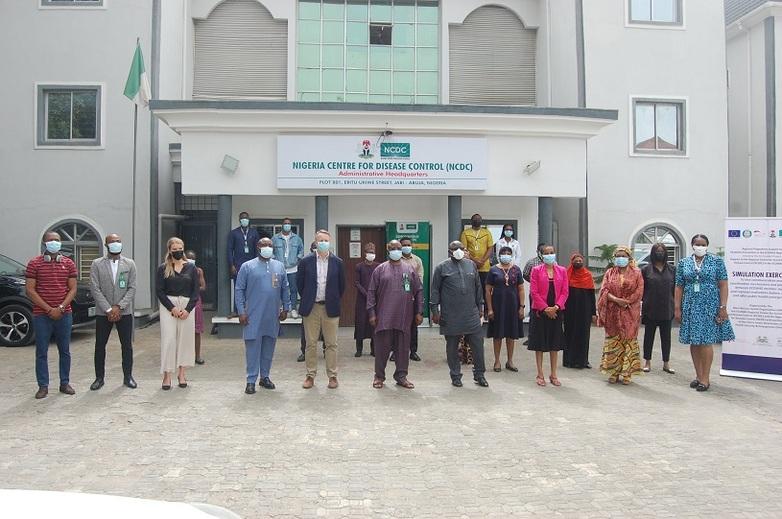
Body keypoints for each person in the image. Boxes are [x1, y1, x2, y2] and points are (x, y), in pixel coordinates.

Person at [675, 234, 735, 392]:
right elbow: (679, 286)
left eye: (703, 244)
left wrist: (723, 307)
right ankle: (698, 375)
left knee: (706, 341)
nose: (699, 246)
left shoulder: (717, 261)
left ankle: (706, 379)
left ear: (707, 246)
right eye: (697, 244)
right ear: (692, 245)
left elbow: (723, 285)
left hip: (710, 305)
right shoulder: (684, 263)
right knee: (694, 341)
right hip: (690, 305)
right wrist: (677, 308)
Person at [26, 231, 78, 399]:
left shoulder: (69, 263)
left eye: (57, 240)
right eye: (51, 240)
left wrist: (61, 307)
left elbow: (73, 289)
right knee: (41, 351)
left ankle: (65, 383)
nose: (54, 242)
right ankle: (43, 386)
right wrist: (49, 309)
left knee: (65, 350)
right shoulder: (34, 264)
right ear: (44, 243)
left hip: (64, 314)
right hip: (42, 315)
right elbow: (30, 290)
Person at [430, 241, 488, 388]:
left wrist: (480, 307)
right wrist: (435, 311)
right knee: (452, 347)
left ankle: (479, 374)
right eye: (455, 248)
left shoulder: (471, 265)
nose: (458, 251)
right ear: (449, 251)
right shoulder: (441, 267)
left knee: (478, 345)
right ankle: (455, 376)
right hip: (450, 315)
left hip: (471, 313)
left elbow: (478, 288)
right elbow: (435, 290)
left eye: (461, 248)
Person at [236, 237, 290, 394]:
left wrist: (286, 308)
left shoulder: (279, 266)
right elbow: (239, 289)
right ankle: (251, 380)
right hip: (252, 315)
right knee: (252, 347)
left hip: (272, 315)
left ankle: (265, 377)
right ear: (258, 247)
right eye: (264, 245)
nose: (267, 247)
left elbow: (285, 289)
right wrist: (241, 311)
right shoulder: (247, 266)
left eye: (270, 245)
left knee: (269, 346)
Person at [367, 240, 423, 389]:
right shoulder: (380, 269)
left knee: (403, 349)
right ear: (388, 250)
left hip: (404, 316)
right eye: (393, 248)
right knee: (382, 348)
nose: (397, 250)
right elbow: (371, 292)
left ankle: (401, 376)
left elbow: (418, 291)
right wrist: (372, 313)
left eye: (399, 248)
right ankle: (379, 376)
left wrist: (419, 311)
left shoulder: (410, 269)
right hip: (384, 316)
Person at [297, 230, 346, 389]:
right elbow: (300, 285)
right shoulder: (306, 261)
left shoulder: (338, 262)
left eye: (326, 240)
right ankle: (310, 376)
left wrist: (332, 298)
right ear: (315, 243)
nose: (323, 242)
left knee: (331, 344)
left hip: (330, 308)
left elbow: (342, 286)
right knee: (310, 344)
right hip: (311, 308)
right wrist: (309, 298)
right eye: (320, 240)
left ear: (330, 242)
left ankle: (332, 376)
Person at [89, 233, 137, 391]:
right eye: (112, 242)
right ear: (106, 245)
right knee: (100, 345)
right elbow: (95, 288)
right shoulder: (97, 264)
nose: (116, 244)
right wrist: (109, 309)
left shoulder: (129, 264)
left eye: (118, 241)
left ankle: (128, 377)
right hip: (104, 313)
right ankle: (99, 378)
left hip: (124, 312)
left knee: (127, 346)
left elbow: (132, 288)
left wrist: (119, 307)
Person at [156, 237, 199, 390]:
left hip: (187, 306)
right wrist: (171, 308)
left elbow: (196, 291)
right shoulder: (163, 268)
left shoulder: (191, 268)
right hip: (169, 306)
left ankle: (182, 373)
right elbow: (159, 291)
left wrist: (188, 309)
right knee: (169, 339)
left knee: (185, 339)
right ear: (169, 250)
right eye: (174, 249)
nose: (178, 251)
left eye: (180, 248)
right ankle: (167, 375)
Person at [597, 246, 644, 385]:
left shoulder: (637, 273)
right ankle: (613, 372)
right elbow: (604, 290)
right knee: (613, 341)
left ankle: (627, 373)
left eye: (623, 256)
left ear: (629, 258)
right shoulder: (610, 272)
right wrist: (617, 300)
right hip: (613, 311)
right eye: (618, 256)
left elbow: (639, 290)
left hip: (630, 312)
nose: (620, 258)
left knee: (628, 341)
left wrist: (627, 302)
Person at [528, 245, 569, 386]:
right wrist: (546, 308)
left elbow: (565, 292)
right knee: (540, 344)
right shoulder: (536, 270)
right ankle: (540, 374)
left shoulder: (562, 271)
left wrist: (556, 307)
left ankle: (553, 374)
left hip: (556, 311)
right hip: (540, 312)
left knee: (554, 344)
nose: (549, 255)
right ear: (541, 255)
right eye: (546, 253)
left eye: (551, 253)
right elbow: (534, 292)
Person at [486, 246, 525, 372]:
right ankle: (497, 361)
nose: (506, 255)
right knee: (497, 335)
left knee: (511, 334)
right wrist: (490, 309)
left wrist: (522, 307)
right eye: (504, 253)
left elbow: (521, 289)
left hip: (513, 306)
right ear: (499, 255)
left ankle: (510, 361)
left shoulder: (516, 270)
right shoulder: (493, 270)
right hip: (498, 306)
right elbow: (487, 290)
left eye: (509, 253)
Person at [641, 243, 676, 374]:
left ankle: (666, 363)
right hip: (650, 308)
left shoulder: (672, 270)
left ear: (665, 253)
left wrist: (676, 307)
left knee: (666, 337)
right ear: (653, 253)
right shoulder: (645, 270)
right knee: (648, 337)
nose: (659, 253)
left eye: (662, 251)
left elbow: (675, 290)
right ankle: (647, 362)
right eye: (657, 251)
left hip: (667, 309)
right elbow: (641, 290)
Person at [563, 252, 596, 369]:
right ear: (572, 262)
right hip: (570, 311)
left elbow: (592, 296)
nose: (578, 262)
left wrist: (593, 313)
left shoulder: (588, 275)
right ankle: (569, 360)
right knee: (569, 334)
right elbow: (563, 294)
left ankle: (583, 361)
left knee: (584, 335)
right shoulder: (567, 274)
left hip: (585, 311)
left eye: (580, 260)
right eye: (575, 260)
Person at [272, 217, 304, 319]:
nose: (287, 225)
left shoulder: (297, 238)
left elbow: (301, 251)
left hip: (293, 268)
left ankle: (293, 309)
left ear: (291, 225)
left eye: (289, 223)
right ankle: (279, 308)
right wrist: (274, 261)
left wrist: (297, 260)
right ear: (282, 225)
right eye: (285, 223)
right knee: (276, 288)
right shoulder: (275, 238)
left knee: (293, 289)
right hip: (277, 269)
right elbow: (271, 251)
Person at [227, 211, 259, 313]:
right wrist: (231, 265)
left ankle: (250, 309)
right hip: (238, 265)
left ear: (249, 220)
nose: (244, 220)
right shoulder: (234, 233)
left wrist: (258, 264)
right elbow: (229, 249)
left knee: (252, 287)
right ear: (240, 220)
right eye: (242, 218)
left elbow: (257, 249)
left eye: (246, 218)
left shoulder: (254, 232)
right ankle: (238, 311)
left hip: (252, 265)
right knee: (239, 288)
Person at [400, 236, 424, 361]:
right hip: (398, 299)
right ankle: (396, 352)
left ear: (412, 246)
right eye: (404, 245)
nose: (406, 247)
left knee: (413, 326)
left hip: (413, 297)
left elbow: (419, 280)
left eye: (408, 244)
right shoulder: (396, 260)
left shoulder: (417, 260)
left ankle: (413, 351)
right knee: (398, 326)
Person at [460, 214, 493, 304]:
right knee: (472, 289)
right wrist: (475, 261)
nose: (477, 220)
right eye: (475, 219)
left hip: (485, 267)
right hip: (470, 266)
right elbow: (464, 249)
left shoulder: (487, 232)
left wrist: (482, 261)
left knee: (486, 289)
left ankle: (486, 309)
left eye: (479, 219)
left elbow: (490, 248)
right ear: (471, 221)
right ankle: (474, 309)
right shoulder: (465, 233)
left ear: (481, 221)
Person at [354, 242, 378, 357]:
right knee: (360, 323)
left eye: (372, 252)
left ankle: (374, 349)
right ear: (364, 253)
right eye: (368, 252)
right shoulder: (359, 266)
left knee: (373, 324)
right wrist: (366, 293)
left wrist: (373, 294)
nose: (371, 254)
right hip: (362, 300)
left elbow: (380, 282)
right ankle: (359, 349)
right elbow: (357, 283)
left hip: (374, 300)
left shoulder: (379, 266)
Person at [185, 250, 207, 365]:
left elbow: (203, 286)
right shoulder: (180, 270)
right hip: (183, 300)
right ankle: (184, 355)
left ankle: (197, 356)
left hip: (195, 300)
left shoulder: (198, 271)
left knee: (196, 330)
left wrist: (195, 288)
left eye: (192, 258)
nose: (190, 260)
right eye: (188, 257)